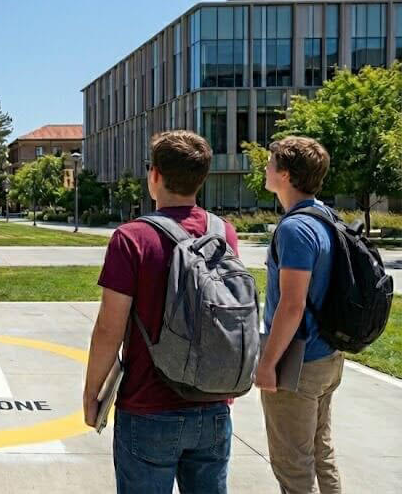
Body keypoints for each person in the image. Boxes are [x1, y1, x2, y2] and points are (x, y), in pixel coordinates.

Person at [83, 130, 239, 493]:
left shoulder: (132, 238)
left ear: (154, 175)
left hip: (148, 406)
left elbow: (110, 327)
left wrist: (93, 394)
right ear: (202, 178)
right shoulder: (223, 233)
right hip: (213, 403)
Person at [255, 136, 341, 493]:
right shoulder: (327, 217)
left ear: (286, 175)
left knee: (293, 467)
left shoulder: (294, 229)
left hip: (298, 363)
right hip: (327, 356)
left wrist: (267, 362)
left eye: (271, 163)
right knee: (321, 452)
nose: (265, 168)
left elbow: (292, 305)